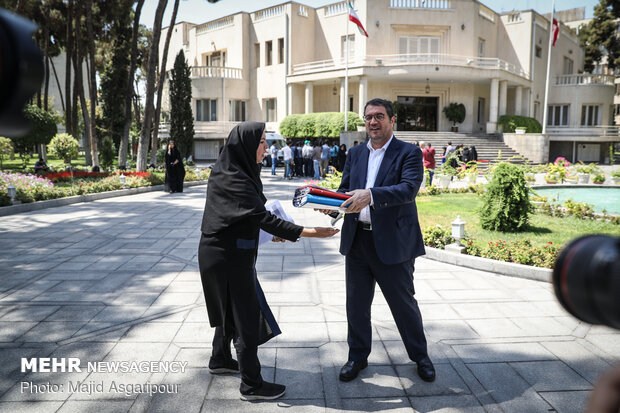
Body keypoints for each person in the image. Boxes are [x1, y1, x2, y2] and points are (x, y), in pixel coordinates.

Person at [198, 122, 338, 401]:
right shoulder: (232, 177)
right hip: (227, 258)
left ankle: (220, 359)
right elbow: (261, 217)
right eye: (262, 142)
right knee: (246, 317)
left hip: (225, 253)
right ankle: (252, 385)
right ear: (247, 146)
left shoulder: (234, 170)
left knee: (229, 310)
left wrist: (266, 231)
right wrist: (311, 232)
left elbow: (242, 216)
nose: (266, 147)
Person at [329, 98, 435, 384]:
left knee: (403, 305)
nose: (372, 122)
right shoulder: (355, 153)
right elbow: (345, 189)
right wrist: (330, 203)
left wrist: (371, 195)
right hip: (357, 242)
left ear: (392, 119)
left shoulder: (409, 153)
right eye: (368, 118)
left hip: (393, 243)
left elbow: (408, 189)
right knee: (357, 305)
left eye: (378, 116)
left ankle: (420, 357)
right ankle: (357, 357)